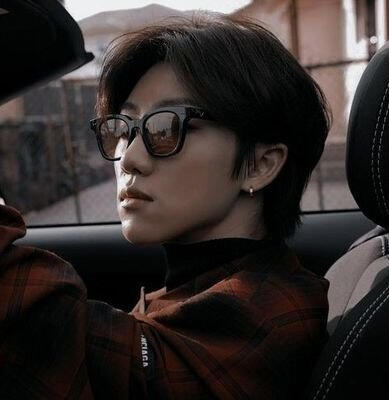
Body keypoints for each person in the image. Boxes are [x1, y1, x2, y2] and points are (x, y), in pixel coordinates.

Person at [0, 15, 330, 399]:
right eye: (124, 128)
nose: (128, 159)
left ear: (260, 164)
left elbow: (69, 345)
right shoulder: (196, 290)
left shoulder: (272, 315)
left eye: (165, 128)